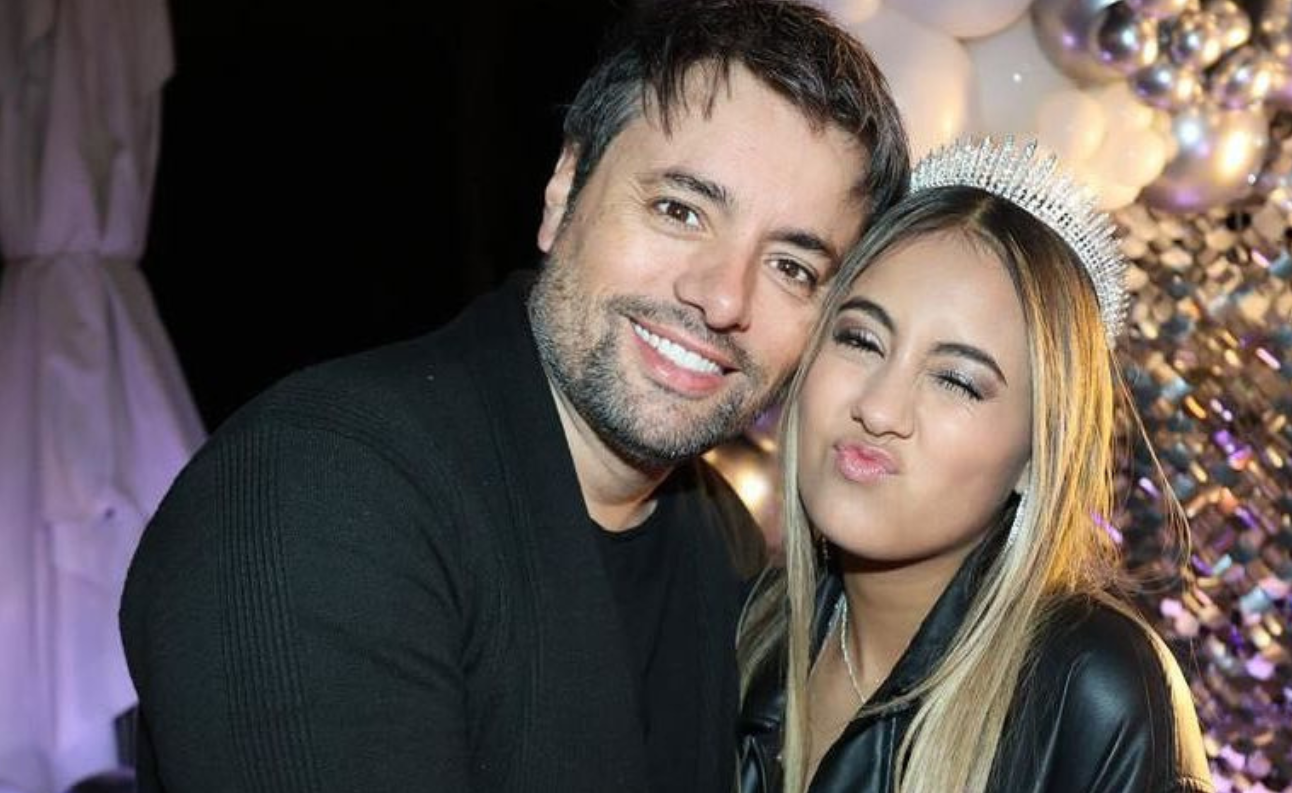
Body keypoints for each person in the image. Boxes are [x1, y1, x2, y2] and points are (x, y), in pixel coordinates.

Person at [118, 3, 910, 791]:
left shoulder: (722, 537)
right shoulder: (318, 487)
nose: (724, 297)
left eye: (791, 267)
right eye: (680, 210)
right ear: (564, 191)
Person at [736, 138, 1214, 793]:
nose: (878, 408)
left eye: (957, 381)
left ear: (1036, 456)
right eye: (861, 339)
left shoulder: (1093, 693)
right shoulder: (739, 627)